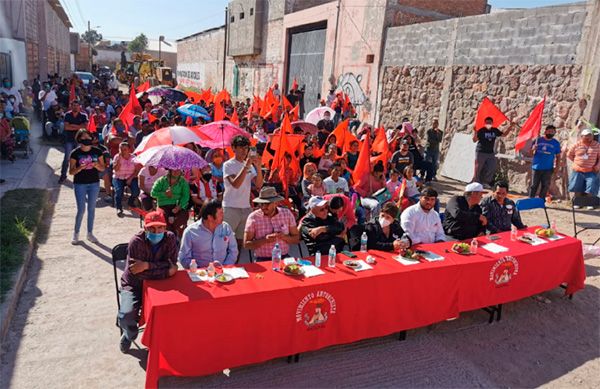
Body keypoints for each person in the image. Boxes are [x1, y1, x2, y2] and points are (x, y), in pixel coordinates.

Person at [118, 211, 178, 352]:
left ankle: (163, 340)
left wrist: (147, 266)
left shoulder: (170, 238)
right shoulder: (136, 242)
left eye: (160, 228)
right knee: (125, 315)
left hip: (160, 284)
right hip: (134, 284)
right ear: (145, 228)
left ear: (165, 228)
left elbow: (172, 263)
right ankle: (129, 334)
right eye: (151, 228)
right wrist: (165, 270)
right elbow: (137, 273)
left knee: (174, 309)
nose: (156, 232)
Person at [222, 135, 264, 248]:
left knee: (241, 241)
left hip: (246, 207)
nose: (244, 151)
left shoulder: (250, 166)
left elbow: (259, 185)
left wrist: (259, 167)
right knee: (225, 240)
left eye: (246, 148)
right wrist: (246, 166)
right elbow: (235, 184)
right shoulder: (228, 164)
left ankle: (237, 264)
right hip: (230, 207)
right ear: (234, 148)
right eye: (241, 147)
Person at [68, 129, 105, 244]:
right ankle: (76, 233)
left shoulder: (97, 151)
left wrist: (96, 165)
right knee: (81, 209)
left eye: (88, 137)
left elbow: (103, 168)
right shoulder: (75, 153)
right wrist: (80, 167)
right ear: (79, 139)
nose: (87, 140)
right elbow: (71, 172)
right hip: (80, 184)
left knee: (91, 209)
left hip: (94, 183)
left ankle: (90, 233)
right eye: (84, 138)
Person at [244, 187, 300, 261]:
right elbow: (246, 244)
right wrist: (265, 240)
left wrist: (284, 237)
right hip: (262, 259)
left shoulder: (286, 214)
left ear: (276, 203)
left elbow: (296, 239)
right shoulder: (253, 217)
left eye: (267, 204)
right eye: (261, 204)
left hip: (283, 257)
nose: (263, 207)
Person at [178, 199, 238, 268]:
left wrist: (226, 266)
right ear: (210, 217)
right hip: (200, 274)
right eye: (220, 213)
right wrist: (198, 270)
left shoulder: (226, 228)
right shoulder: (190, 232)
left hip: (223, 274)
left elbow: (233, 250)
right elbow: (184, 257)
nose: (223, 215)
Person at [472, 116, 513, 187]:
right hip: (481, 151)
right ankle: (476, 183)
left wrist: (511, 126)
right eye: (487, 122)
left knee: (492, 167)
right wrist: (475, 131)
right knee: (478, 168)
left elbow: (504, 134)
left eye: (490, 122)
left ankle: (486, 182)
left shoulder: (495, 130)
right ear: (485, 123)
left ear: (492, 123)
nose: (488, 124)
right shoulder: (481, 130)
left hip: (490, 152)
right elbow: (474, 140)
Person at [151, 169, 190, 238]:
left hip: (177, 205)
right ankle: (170, 237)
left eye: (178, 170)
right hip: (163, 205)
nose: (176, 171)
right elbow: (153, 193)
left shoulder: (183, 181)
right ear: (170, 170)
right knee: (163, 218)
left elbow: (185, 196)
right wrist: (164, 194)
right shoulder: (161, 180)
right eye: (174, 170)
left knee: (182, 217)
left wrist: (179, 206)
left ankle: (176, 236)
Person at [567, 128, 600, 201]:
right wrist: (576, 162)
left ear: (592, 136)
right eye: (585, 136)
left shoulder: (597, 145)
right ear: (581, 136)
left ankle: (590, 203)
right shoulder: (576, 144)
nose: (588, 137)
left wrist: (598, 165)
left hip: (591, 171)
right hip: (578, 170)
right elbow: (569, 154)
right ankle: (578, 202)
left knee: (591, 186)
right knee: (577, 186)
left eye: (589, 135)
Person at [60, 101, 88, 183]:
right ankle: (63, 175)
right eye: (74, 105)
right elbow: (66, 127)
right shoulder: (67, 115)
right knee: (66, 158)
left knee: (80, 159)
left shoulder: (83, 116)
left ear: (80, 106)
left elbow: (84, 128)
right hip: (69, 139)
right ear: (71, 106)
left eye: (77, 105)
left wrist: (72, 125)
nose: (75, 107)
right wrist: (78, 127)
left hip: (79, 140)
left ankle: (80, 177)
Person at [529, 125, 561, 199]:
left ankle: (541, 201)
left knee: (545, 185)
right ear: (545, 131)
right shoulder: (538, 140)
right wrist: (533, 149)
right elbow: (530, 154)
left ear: (555, 133)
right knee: (534, 185)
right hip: (536, 167)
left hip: (548, 168)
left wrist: (557, 166)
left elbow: (558, 156)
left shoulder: (556, 143)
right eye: (549, 131)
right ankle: (530, 200)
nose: (550, 133)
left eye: (552, 132)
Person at [112, 142, 140, 217]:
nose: (122, 151)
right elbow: (116, 169)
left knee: (136, 191)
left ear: (129, 150)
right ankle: (119, 208)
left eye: (125, 149)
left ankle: (130, 202)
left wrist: (130, 179)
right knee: (119, 191)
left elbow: (137, 170)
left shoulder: (133, 157)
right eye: (120, 149)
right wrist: (119, 160)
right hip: (118, 177)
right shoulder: (117, 157)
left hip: (131, 176)